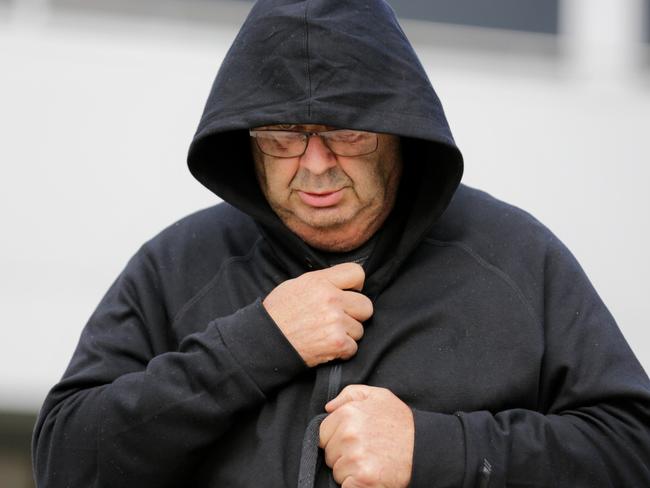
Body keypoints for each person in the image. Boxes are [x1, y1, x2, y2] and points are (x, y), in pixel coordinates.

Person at [33, 0, 650, 487]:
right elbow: (65, 463)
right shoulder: (176, 266)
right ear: (245, 139)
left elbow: (631, 452)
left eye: (347, 133)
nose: (316, 164)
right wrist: (252, 349)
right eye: (283, 135)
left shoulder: (515, 258)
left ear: (399, 130)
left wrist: (441, 452)